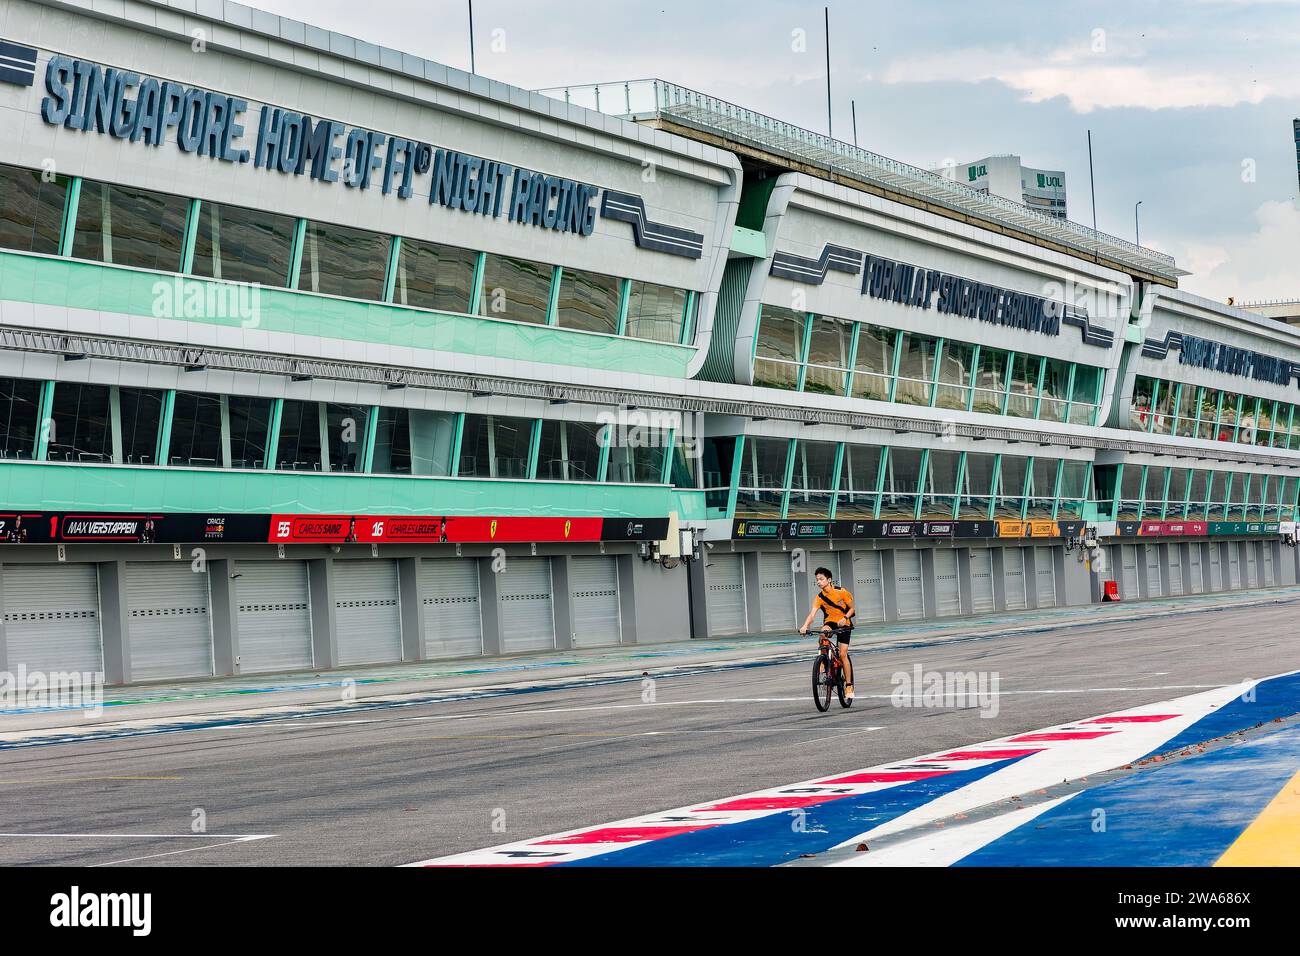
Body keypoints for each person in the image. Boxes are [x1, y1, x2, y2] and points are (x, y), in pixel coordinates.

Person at [799, 566, 856, 699]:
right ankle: (824, 661)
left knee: (842, 654)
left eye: (821, 579)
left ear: (829, 580)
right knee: (822, 634)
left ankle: (848, 685)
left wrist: (845, 618)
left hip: (844, 623)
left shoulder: (841, 592)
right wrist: (805, 625)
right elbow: (812, 614)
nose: (818, 582)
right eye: (817, 580)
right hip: (830, 622)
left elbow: (852, 608)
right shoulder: (819, 597)